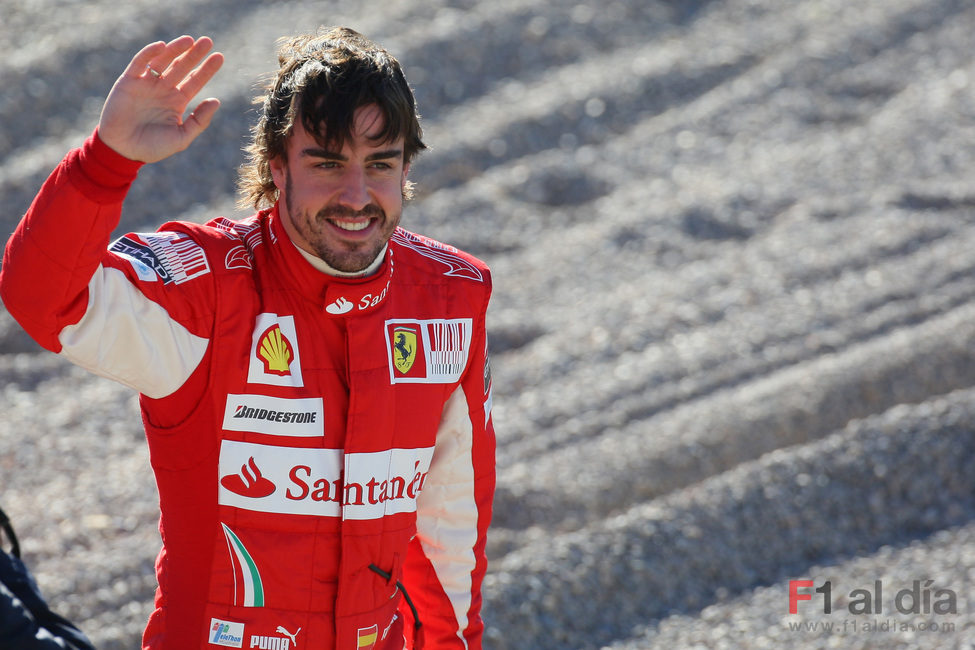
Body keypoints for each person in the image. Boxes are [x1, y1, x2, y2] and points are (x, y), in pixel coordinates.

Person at [0, 27, 495, 650]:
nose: (356, 195)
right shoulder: (204, 287)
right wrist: (105, 163)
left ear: (405, 167)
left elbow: (449, 523)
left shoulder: (450, 297)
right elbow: (44, 302)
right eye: (327, 162)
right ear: (276, 167)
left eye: (380, 163)